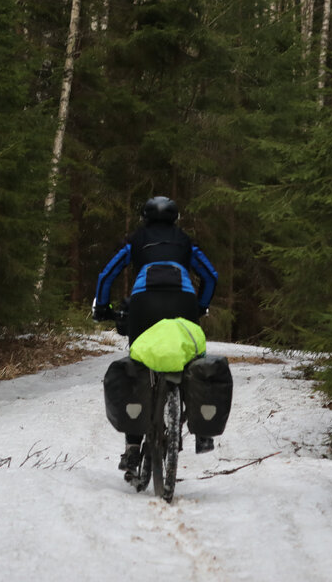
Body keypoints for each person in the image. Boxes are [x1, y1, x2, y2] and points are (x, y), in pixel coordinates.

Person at [92, 195, 219, 474]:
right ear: (175, 218)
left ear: (145, 218)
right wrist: (199, 307)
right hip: (183, 302)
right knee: (192, 359)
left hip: (144, 305)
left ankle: (133, 448)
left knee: (139, 365)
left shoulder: (135, 239)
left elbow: (106, 275)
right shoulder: (186, 241)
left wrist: (103, 307)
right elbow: (210, 276)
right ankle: (203, 430)